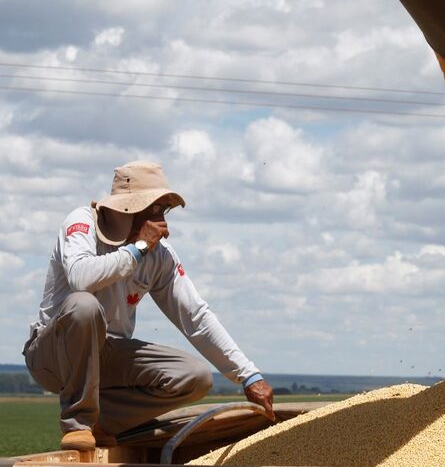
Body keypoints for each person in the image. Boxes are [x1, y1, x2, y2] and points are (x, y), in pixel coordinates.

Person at [23, 161, 274, 451]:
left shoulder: (160, 257)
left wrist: (248, 375)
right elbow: (80, 277)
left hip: (106, 354)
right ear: (128, 209)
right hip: (53, 355)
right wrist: (137, 249)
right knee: (84, 306)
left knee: (195, 377)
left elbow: (196, 316)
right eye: (152, 210)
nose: (161, 223)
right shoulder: (82, 223)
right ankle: (78, 424)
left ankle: (103, 420)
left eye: (162, 211)